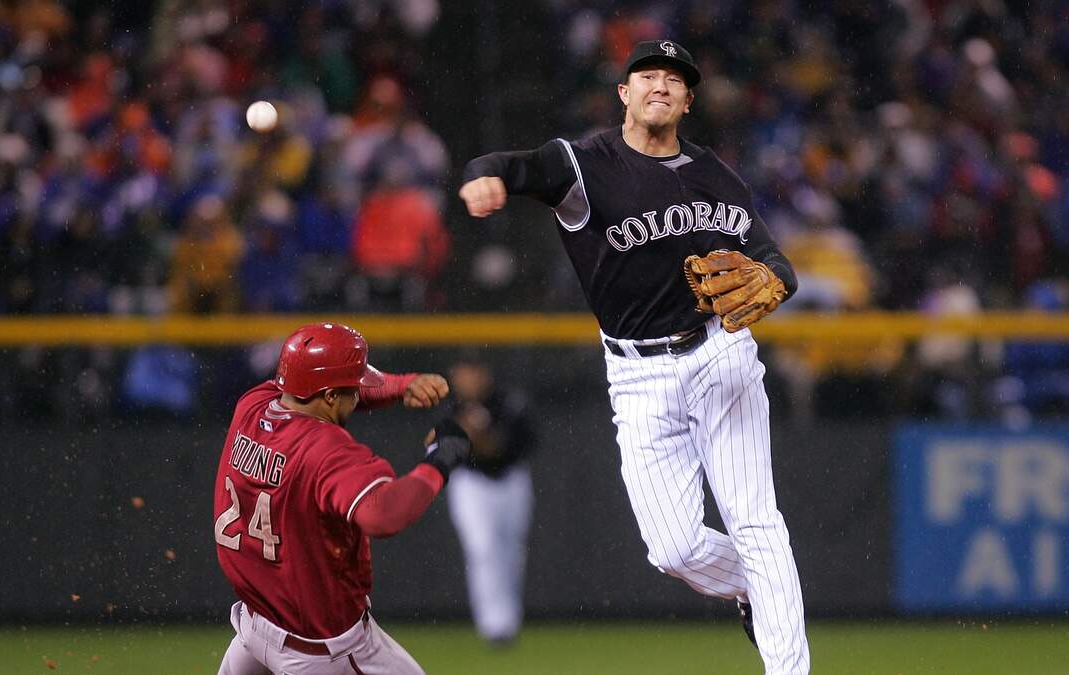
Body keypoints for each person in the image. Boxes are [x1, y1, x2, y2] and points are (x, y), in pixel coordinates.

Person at [458, 40, 809, 674]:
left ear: (688, 100)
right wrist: (484, 176)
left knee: (756, 523)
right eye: (647, 75)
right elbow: (508, 163)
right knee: (672, 548)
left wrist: (777, 280)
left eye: (675, 79)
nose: (661, 85)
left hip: (719, 356)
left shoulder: (717, 177)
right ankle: (760, 589)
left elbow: (774, 258)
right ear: (625, 93)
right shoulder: (583, 164)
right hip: (637, 373)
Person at [213, 322, 471, 675]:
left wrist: (400, 385)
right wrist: (442, 458)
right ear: (332, 396)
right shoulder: (325, 450)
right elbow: (384, 514)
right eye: (352, 388)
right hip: (320, 651)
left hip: (255, 625)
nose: (358, 393)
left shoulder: (252, 407)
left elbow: (318, 390)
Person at [445, 359, 535, 647]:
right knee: (482, 548)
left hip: (511, 479)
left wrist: (482, 437)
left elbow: (518, 443)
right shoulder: (449, 405)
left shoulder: (508, 401)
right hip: (471, 484)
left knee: (511, 553)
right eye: (461, 372)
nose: (466, 378)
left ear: (483, 373)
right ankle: (494, 625)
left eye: (471, 371)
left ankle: (508, 619)